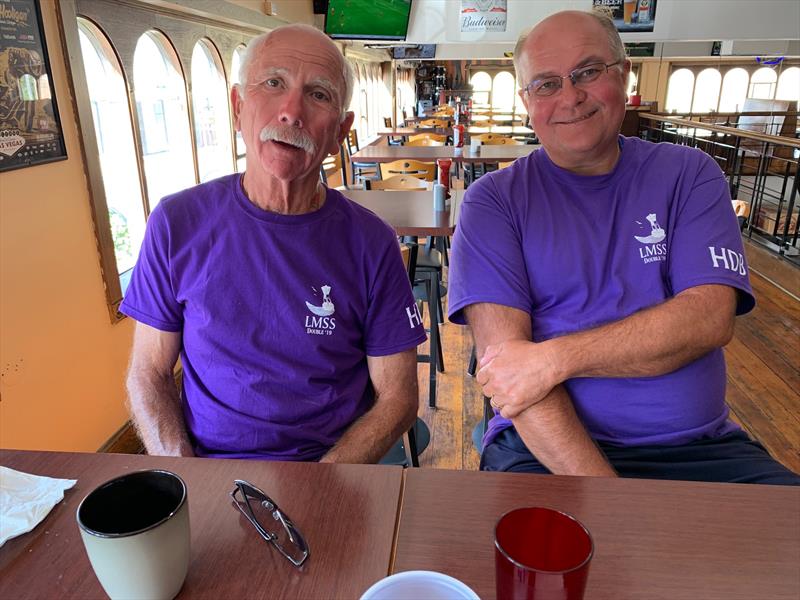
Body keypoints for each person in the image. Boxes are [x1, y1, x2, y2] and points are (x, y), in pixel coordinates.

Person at [448, 10, 799, 485]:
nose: (570, 97)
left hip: (701, 448)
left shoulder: (690, 174)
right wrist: (614, 503)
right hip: (546, 451)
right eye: (546, 84)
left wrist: (553, 359)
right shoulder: (493, 201)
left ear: (625, 74)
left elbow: (708, 317)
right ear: (527, 100)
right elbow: (512, 377)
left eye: (588, 72)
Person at [120, 24, 426, 463]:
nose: (291, 111)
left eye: (318, 94)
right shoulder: (175, 224)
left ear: (341, 130)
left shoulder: (371, 241)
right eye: (273, 83)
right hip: (208, 468)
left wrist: (326, 480)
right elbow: (148, 372)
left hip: (330, 468)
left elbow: (398, 397)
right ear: (238, 105)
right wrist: (182, 475)